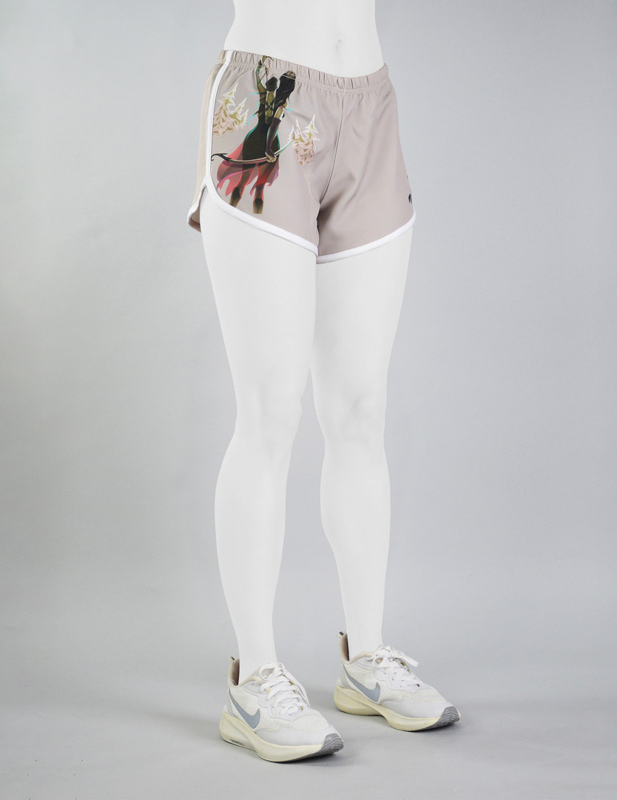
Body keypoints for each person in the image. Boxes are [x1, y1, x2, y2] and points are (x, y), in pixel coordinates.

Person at [185, 0, 461, 762]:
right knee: (269, 411)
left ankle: (365, 657)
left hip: (371, 108)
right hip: (265, 100)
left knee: (361, 409)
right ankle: (254, 676)